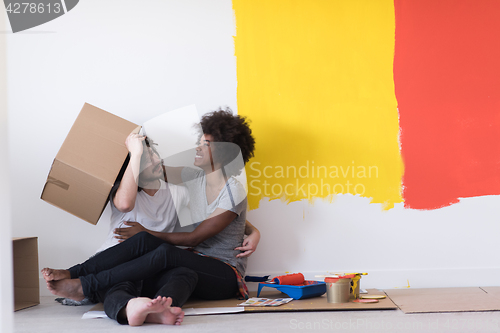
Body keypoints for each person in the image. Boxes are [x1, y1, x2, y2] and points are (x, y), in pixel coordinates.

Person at [43, 108, 257, 326]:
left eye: (206, 144)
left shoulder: (234, 191)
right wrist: (133, 152)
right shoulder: (193, 178)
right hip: (194, 265)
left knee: (161, 250)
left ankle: (85, 285)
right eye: (199, 141)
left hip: (225, 272)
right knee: (180, 273)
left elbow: (195, 238)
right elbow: (153, 169)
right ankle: (159, 308)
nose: (197, 148)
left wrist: (147, 232)